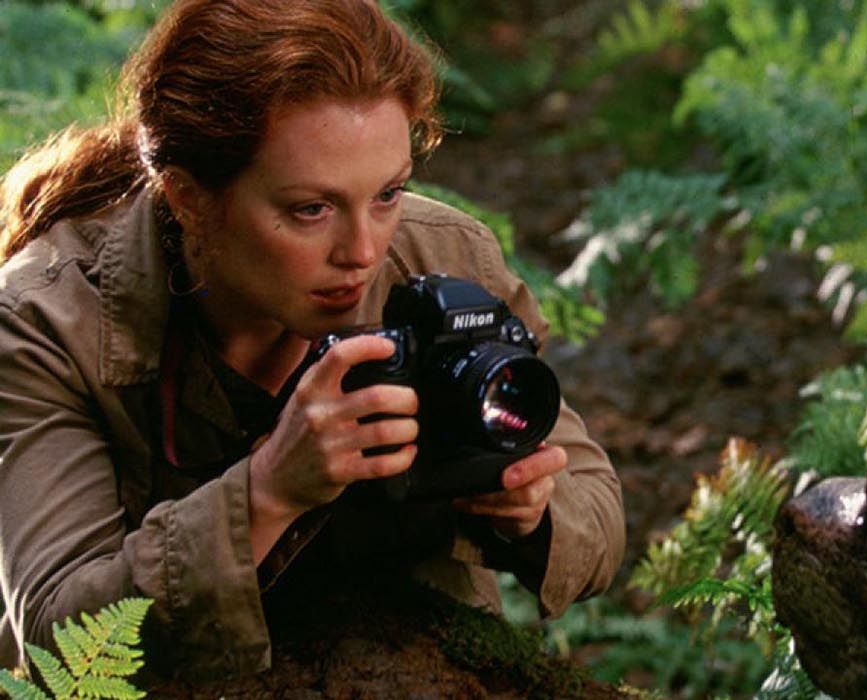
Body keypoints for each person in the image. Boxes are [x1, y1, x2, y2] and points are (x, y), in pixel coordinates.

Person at [0, 0, 624, 680]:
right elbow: (59, 646)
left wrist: (528, 511)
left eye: (388, 194)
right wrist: (267, 492)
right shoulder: (48, 322)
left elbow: (594, 507)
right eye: (310, 210)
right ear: (188, 199)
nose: (362, 250)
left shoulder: (440, 260)